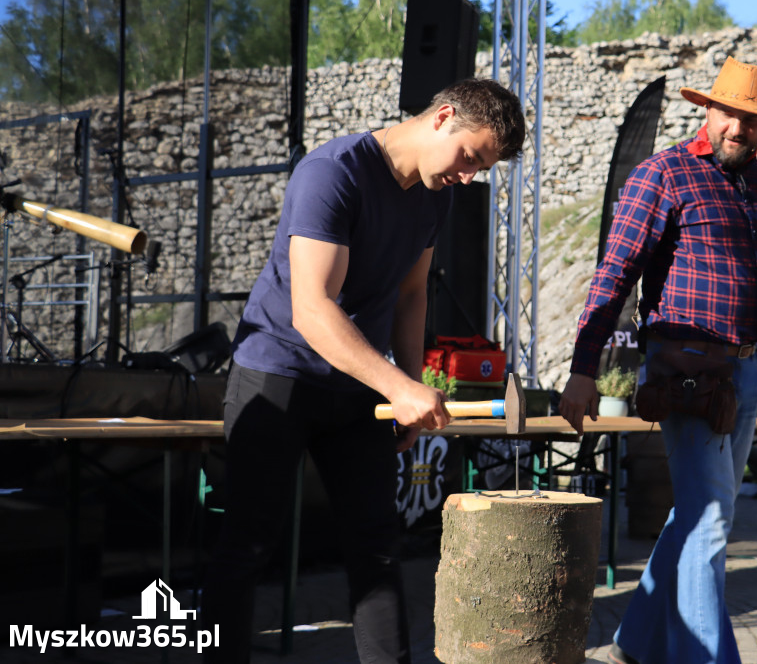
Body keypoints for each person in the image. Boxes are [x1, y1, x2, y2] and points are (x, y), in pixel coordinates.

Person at [200, 78, 526, 664]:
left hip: (359, 387)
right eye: (470, 156)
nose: (470, 175)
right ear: (442, 116)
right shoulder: (333, 172)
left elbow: (410, 294)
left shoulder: (438, 192)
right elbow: (313, 309)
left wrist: (411, 383)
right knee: (246, 546)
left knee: (376, 550)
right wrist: (397, 385)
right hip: (277, 375)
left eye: (482, 167)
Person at [559, 56, 757, 664]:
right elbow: (613, 276)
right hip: (683, 372)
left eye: (753, 120)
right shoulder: (662, 173)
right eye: (730, 115)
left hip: (745, 376)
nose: (739, 129)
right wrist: (583, 370)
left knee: (697, 517)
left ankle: (632, 645)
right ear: (708, 110)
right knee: (712, 523)